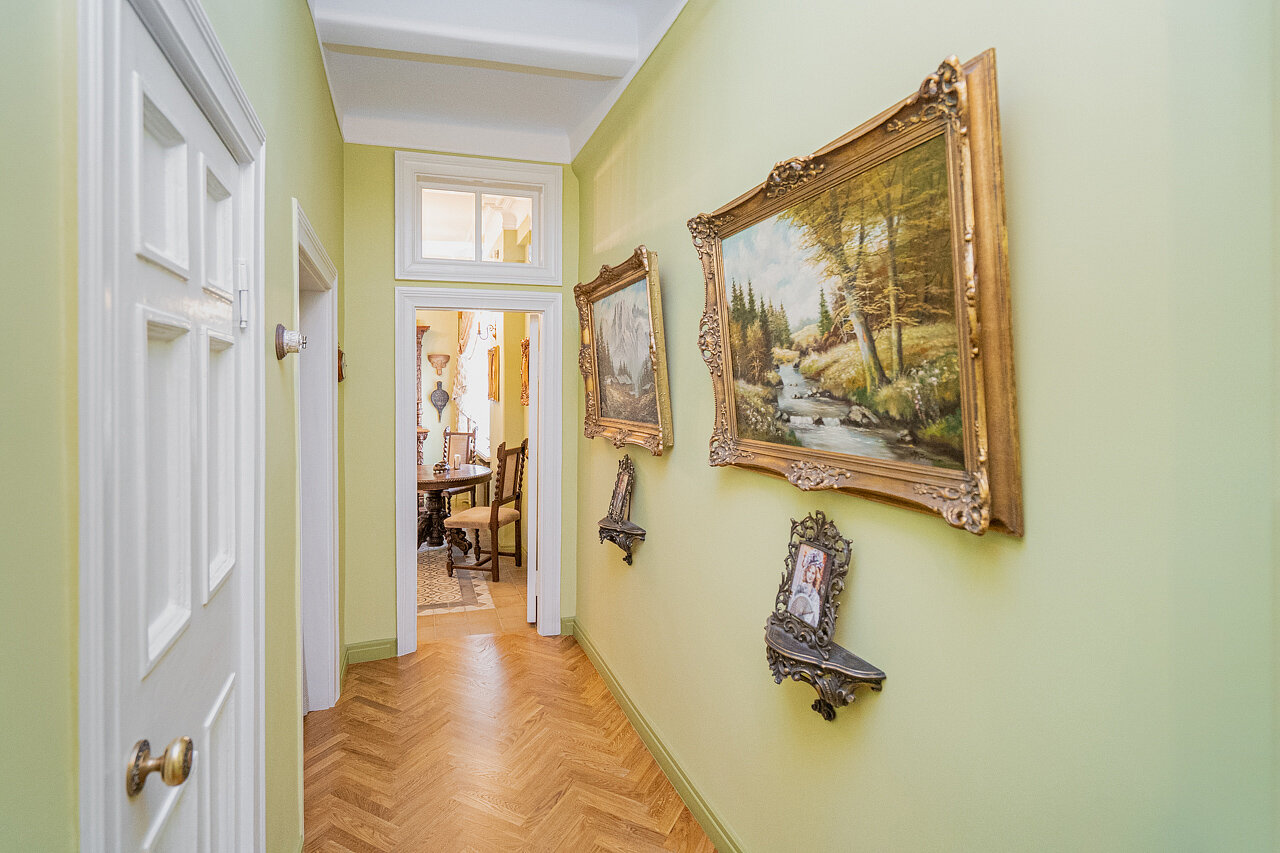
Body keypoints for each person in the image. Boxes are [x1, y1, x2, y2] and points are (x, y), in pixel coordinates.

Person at [786, 548, 825, 627]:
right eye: (809, 571)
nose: (810, 575)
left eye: (813, 573)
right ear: (806, 572)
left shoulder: (815, 597)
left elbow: (815, 621)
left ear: (815, 576)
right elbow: (792, 608)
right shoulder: (798, 588)